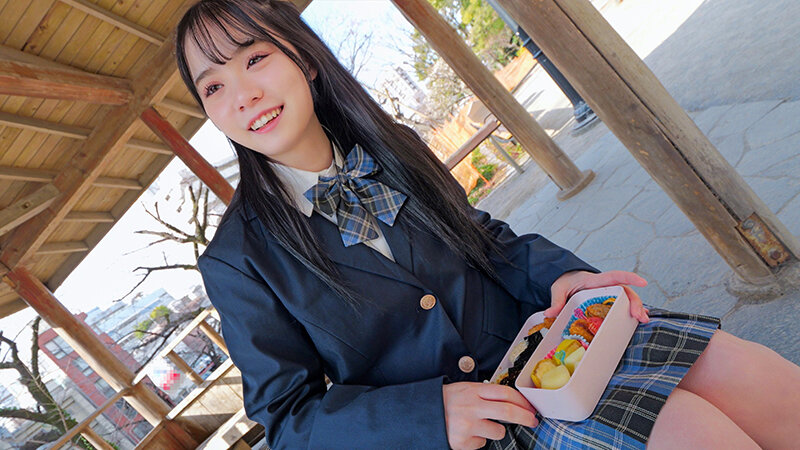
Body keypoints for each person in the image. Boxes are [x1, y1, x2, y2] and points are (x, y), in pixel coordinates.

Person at [175, 1, 800, 448]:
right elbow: (287, 418)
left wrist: (564, 278)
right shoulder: (236, 259)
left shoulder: (394, 146)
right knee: (694, 431)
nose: (241, 94)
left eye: (255, 57)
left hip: (549, 342)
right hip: (485, 427)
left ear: (305, 60)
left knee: (754, 375)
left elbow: (486, 239)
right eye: (213, 87)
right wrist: (429, 416)